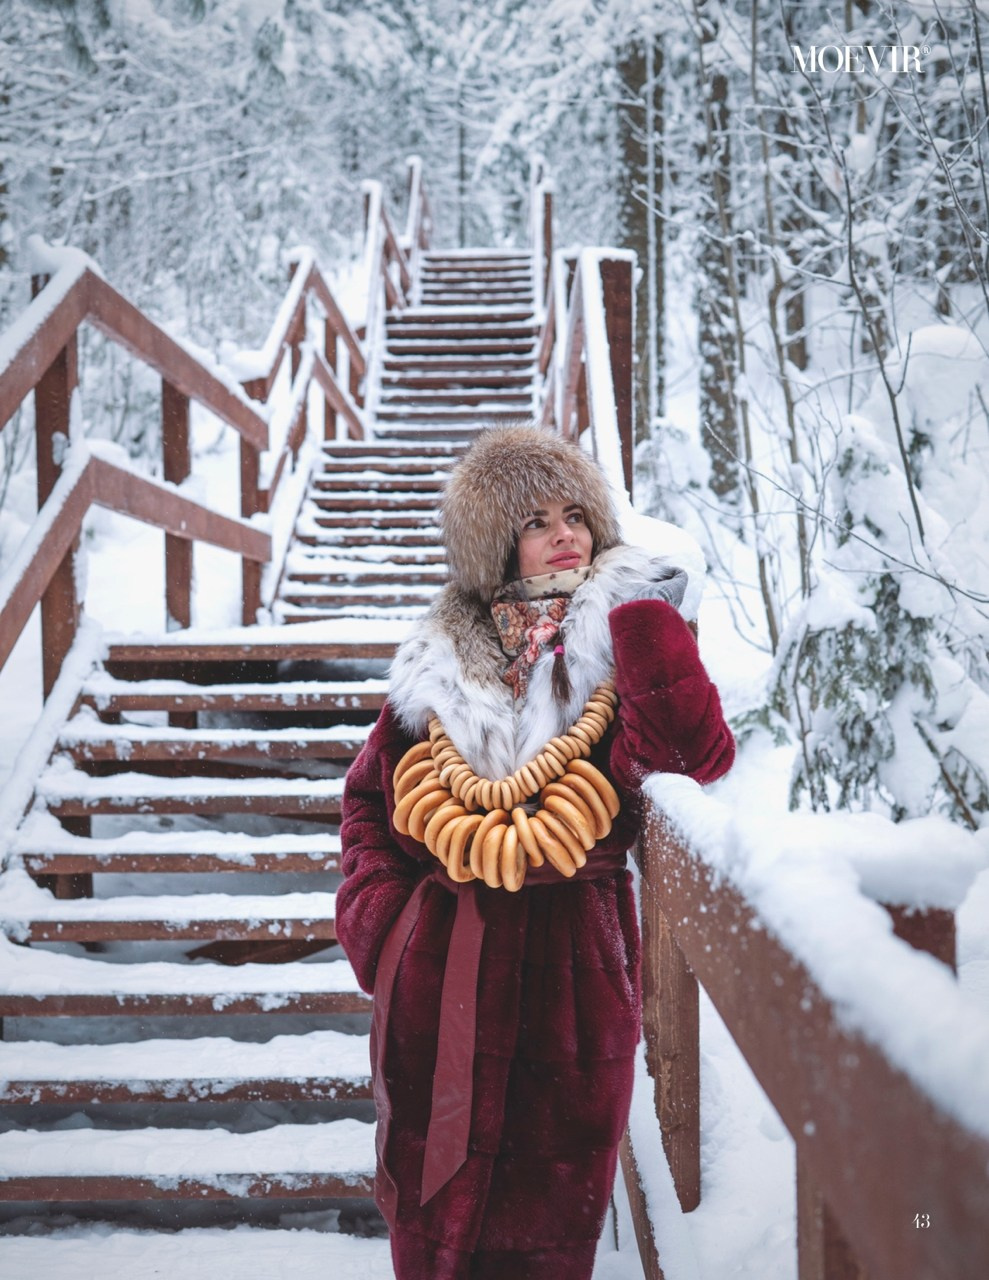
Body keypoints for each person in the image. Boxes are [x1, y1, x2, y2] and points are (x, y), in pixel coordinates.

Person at [336, 424, 734, 1279]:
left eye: (576, 514)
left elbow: (693, 755)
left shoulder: (622, 639)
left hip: (569, 978)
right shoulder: (436, 661)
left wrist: (648, 621)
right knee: (428, 1217)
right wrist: (382, 930)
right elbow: (370, 801)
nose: (566, 534)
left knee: (546, 1236)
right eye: (536, 520)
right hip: (436, 969)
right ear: (494, 545)